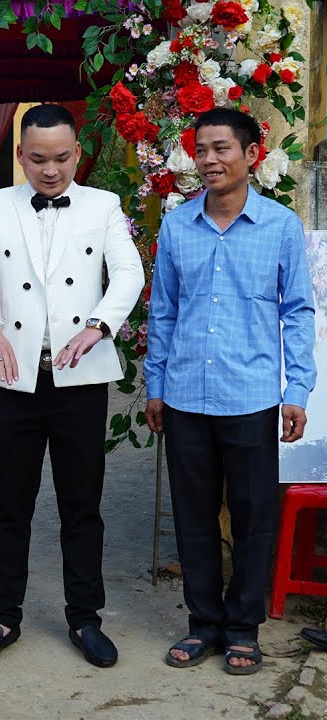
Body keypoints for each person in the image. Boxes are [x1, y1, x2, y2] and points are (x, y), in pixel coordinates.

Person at [0, 104, 144, 668]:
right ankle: (1, 616)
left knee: (81, 504)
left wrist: (100, 325)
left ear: (78, 154)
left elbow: (128, 272)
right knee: (10, 504)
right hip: (16, 377)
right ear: (20, 156)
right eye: (37, 159)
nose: (51, 170)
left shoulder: (104, 205)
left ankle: (85, 618)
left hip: (79, 375)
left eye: (61, 158)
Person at [145, 107, 316, 675]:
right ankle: (202, 626)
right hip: (187, 394)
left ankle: (243, 629)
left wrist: (297, 390)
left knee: (252, 517)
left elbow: (297, 312)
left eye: (222, 148)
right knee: (193, 516)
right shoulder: (177, 226)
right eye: (201, 150)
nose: (210, 159)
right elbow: (163, 311)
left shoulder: (279, 227)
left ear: (251, 155)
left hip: (251, 396)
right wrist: (156, 384)